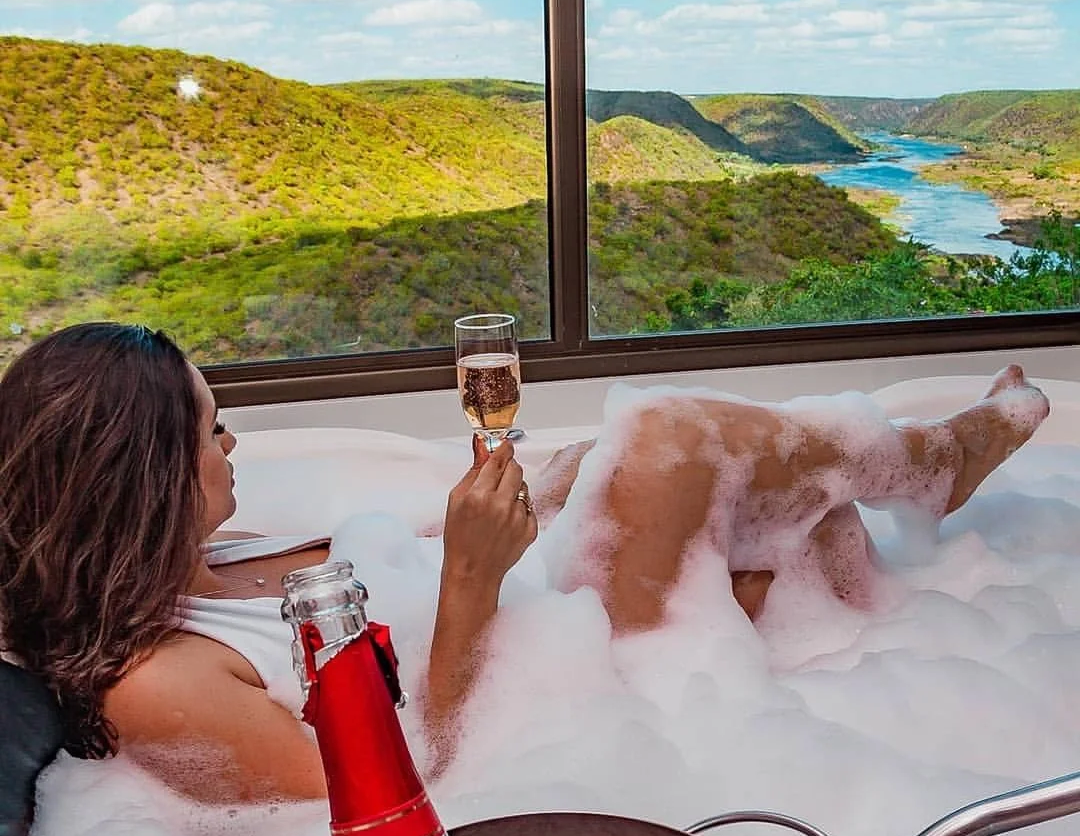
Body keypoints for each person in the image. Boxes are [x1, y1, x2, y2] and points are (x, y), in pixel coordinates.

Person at [0, 323, 1050, 803]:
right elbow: (388, 799)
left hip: (528, 629)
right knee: (666, 436)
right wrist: (473, 581)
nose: (233, 444)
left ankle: (814, 578)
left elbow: (393, 565)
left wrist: (526, 504)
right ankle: (935, 465)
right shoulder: (160, 683)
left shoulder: (204, 553)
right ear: (142, 482)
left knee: (636, 461)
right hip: (533, 710)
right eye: (211, 431)